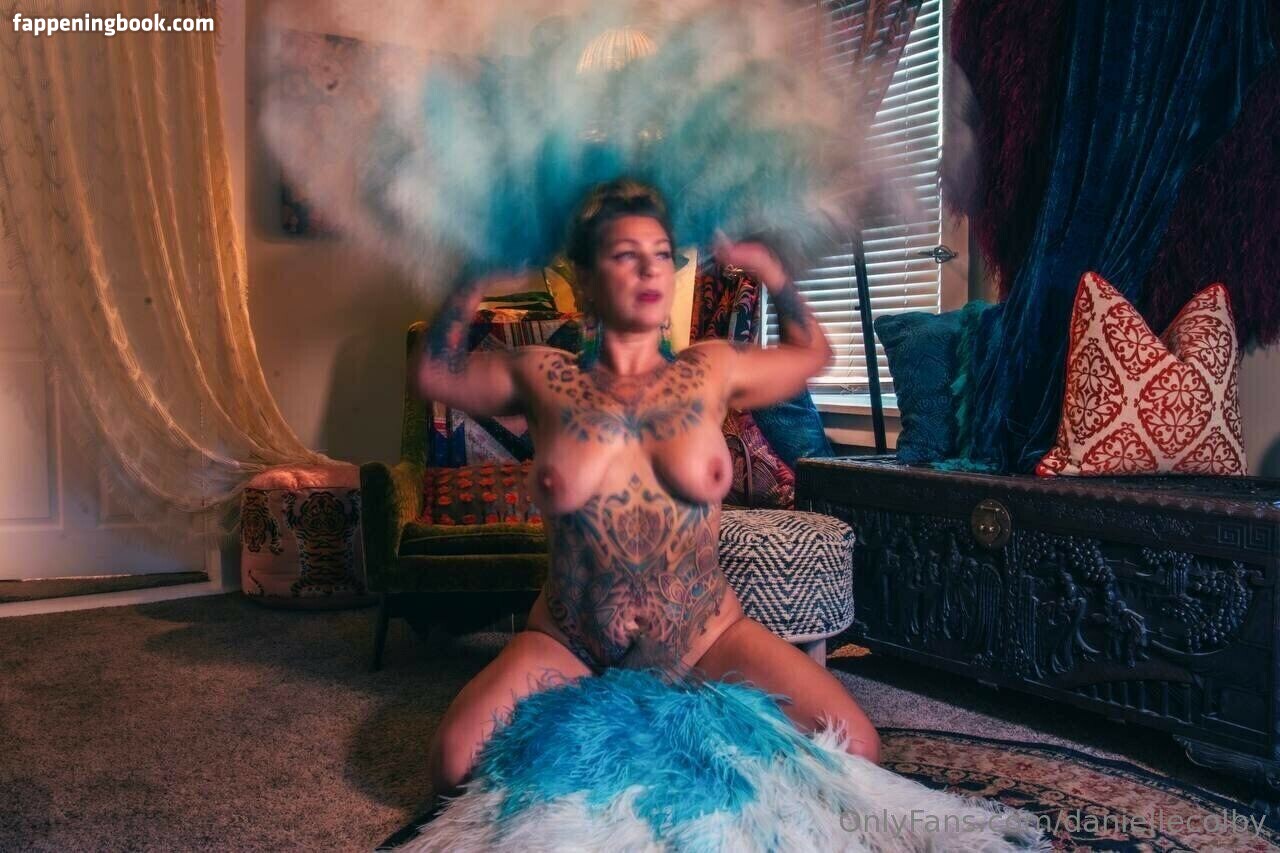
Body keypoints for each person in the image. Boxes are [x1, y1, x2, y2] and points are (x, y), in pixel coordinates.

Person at [418, 178, 880, 796]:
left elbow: (812, 353)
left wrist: (771, 271)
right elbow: (436, 372)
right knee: (452, 765)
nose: (650, 269)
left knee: (856, 745)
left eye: (662, 254)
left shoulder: (710, 368)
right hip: (571, 639)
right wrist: (473, 279)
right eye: (625, 255)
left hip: (706, 635)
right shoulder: (542, 375)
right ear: (585, 280)